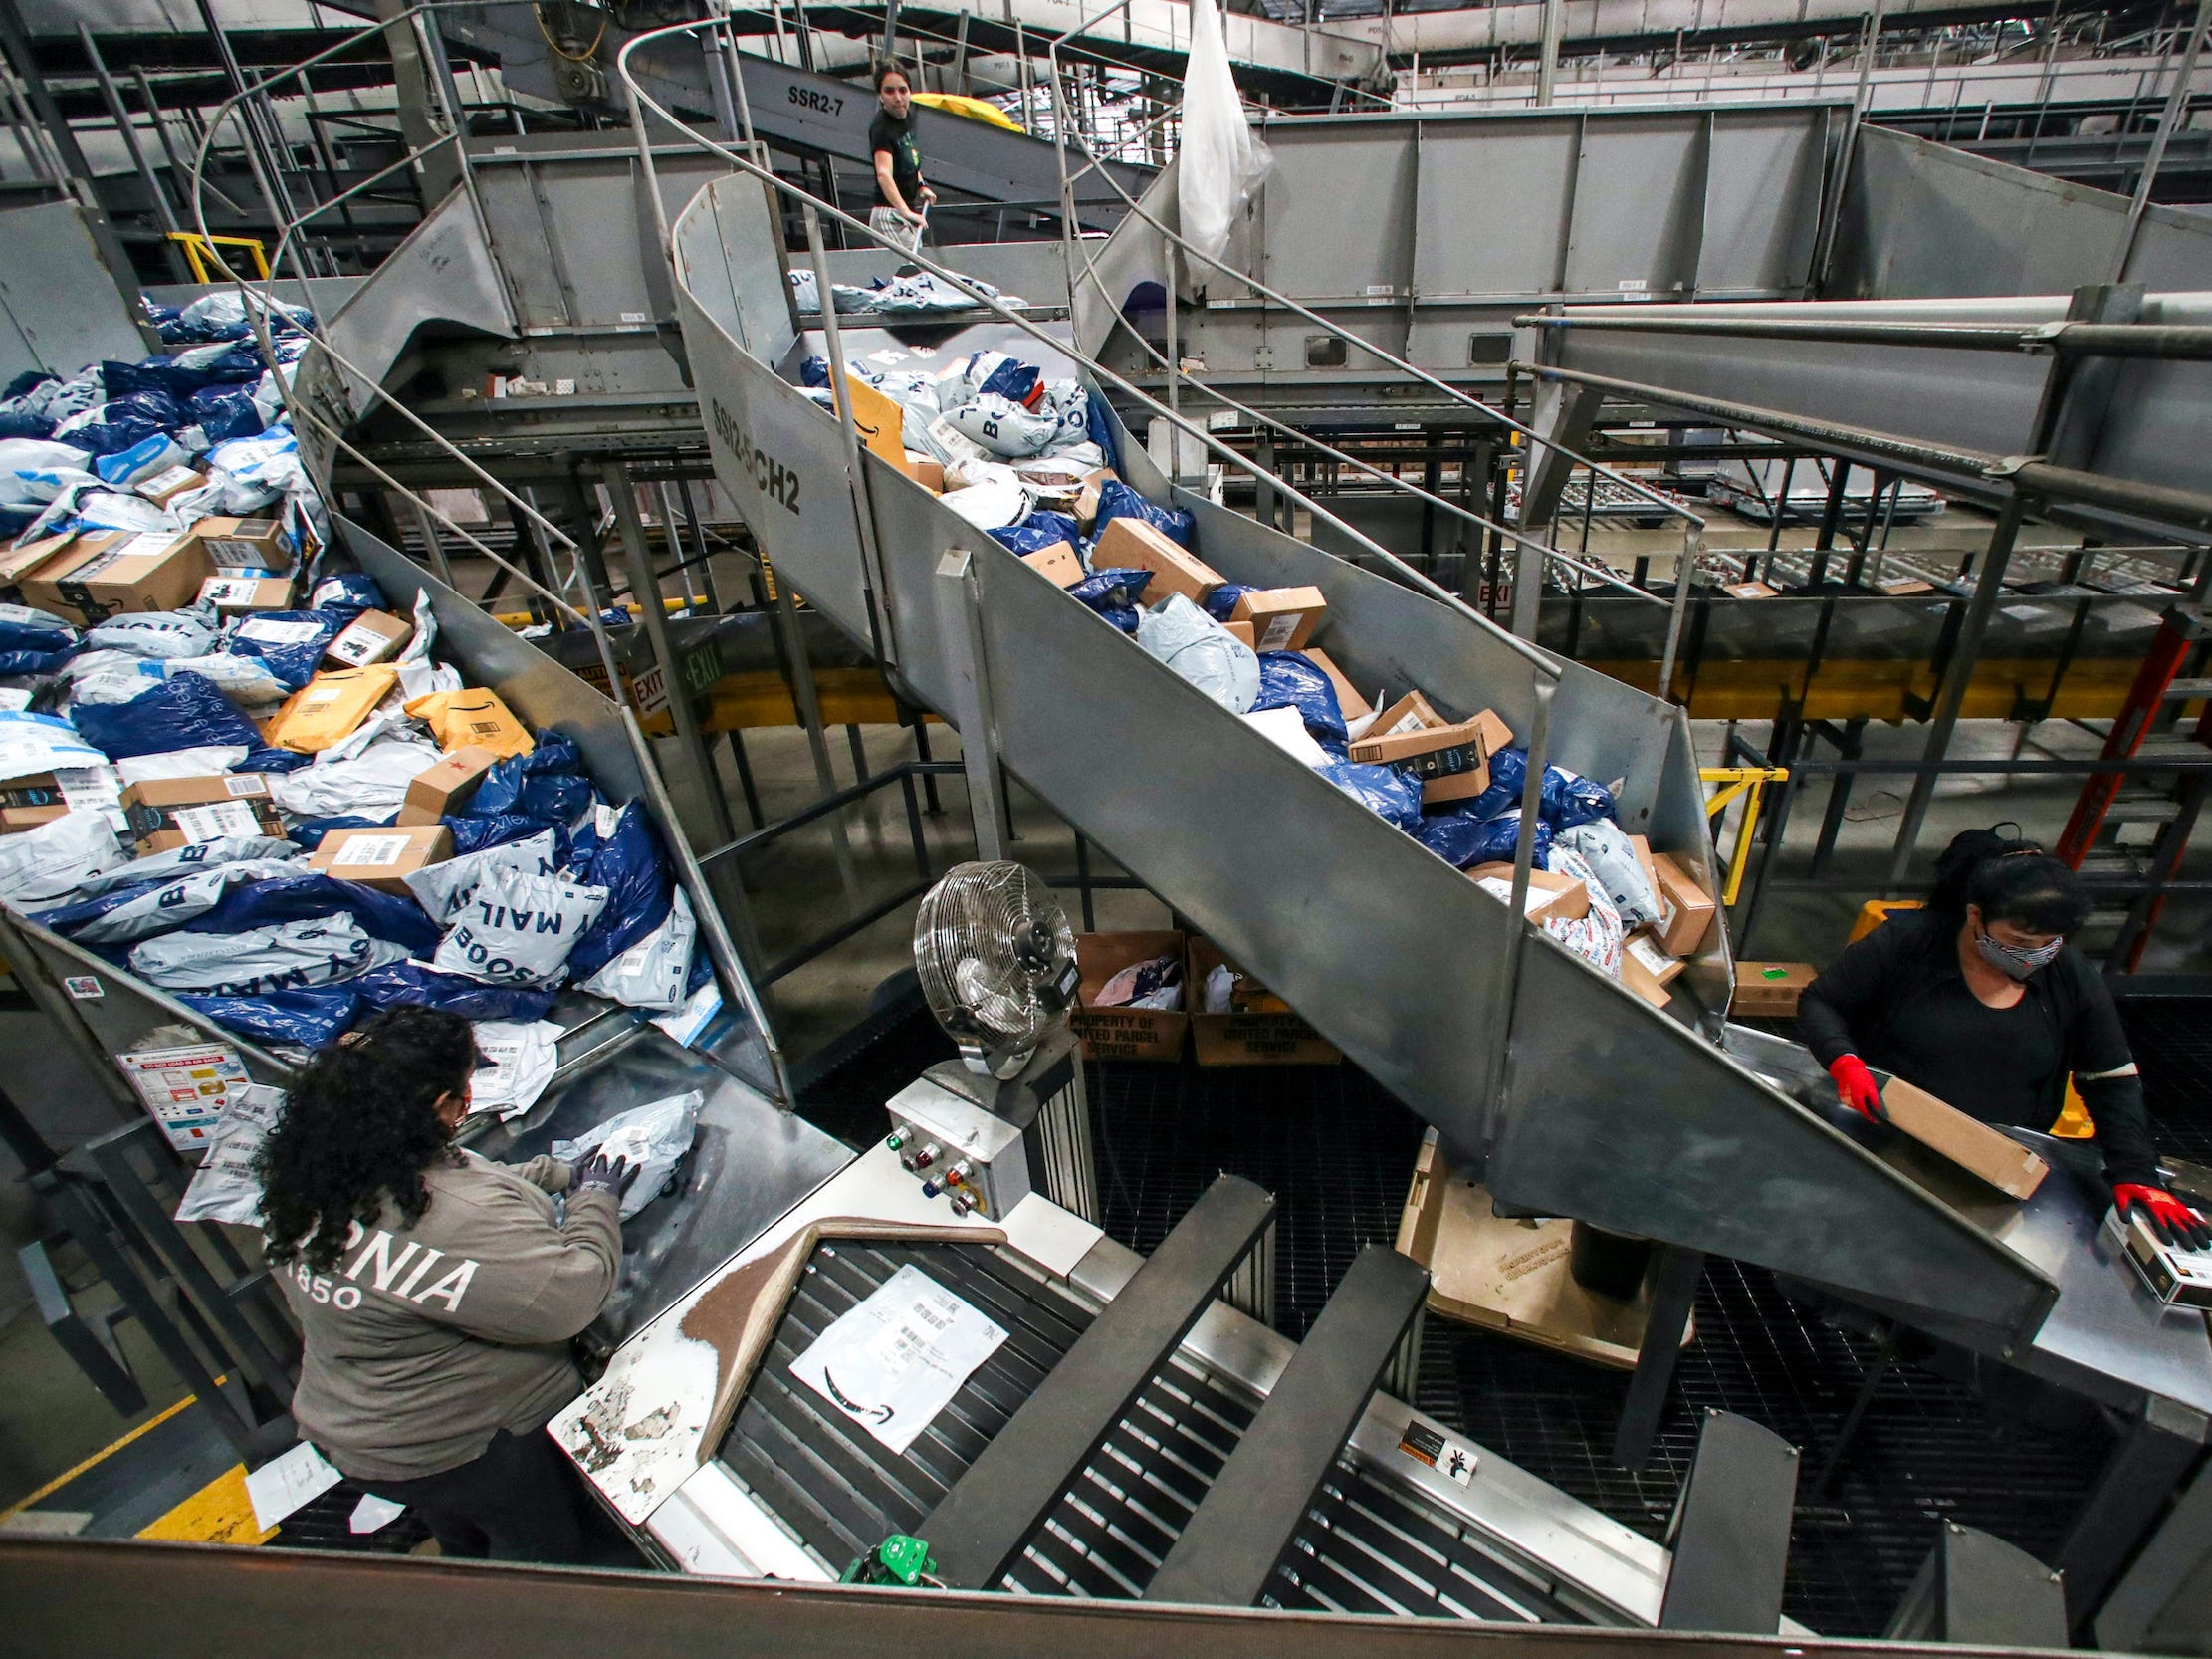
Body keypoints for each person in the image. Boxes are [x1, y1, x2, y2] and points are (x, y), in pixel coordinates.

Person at [258, 1005, 642, 1562]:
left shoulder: (313, 1176)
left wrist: (545, 1173)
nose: (468, 1103)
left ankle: (466, 1555)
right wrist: (594, 1202)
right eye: (465, 1093)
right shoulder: (450, 1217)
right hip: (464, 1448)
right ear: (442, 1107)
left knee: (466, 1531)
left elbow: (449, 1188)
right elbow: (573, 1295)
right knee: (548, 1555)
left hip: (357, 1429)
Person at [1798, 828, 2208, 1248]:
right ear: (1975, 916)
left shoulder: (2070, 977)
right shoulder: (1909, 944)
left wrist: (2136, 1172)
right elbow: (1821, 1002)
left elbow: (2111, 1079)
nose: (2035, 954)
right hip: (1885, 1141)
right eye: (2019, 941)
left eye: (2050, 943)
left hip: (1999, 1164)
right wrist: (1844, 1059)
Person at [868, 62, 935, 255]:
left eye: (902, 90)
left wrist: (921, 184)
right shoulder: (881, 128)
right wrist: (905, 211)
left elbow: (910, 157)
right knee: (916, 269)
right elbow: (883, 174)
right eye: (889, 91)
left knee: (918, 271)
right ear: (880, 96)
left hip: (905, 212)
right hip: (888, 216)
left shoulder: (907, 118)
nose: (898, 98)